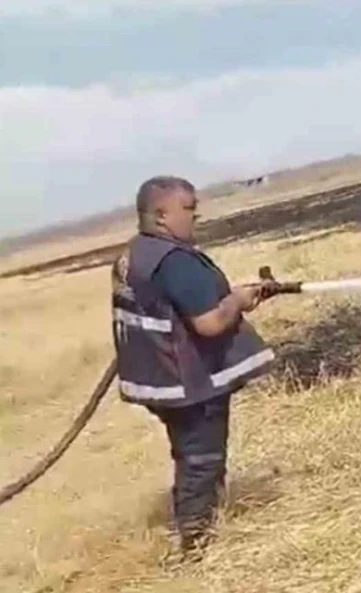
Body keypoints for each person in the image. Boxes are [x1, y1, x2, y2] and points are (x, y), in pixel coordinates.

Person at [109, 175, 276, 557]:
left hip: (161, 379)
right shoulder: (174, 261)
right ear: (161, 214)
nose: (195, 215)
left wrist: (232, 298)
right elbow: (210, 323)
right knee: (202, 458)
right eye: (188, 208)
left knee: (189, 453)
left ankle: (202, 521)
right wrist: (235, 302)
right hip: (186, 381)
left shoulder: (137, 252)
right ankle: (197, 544)